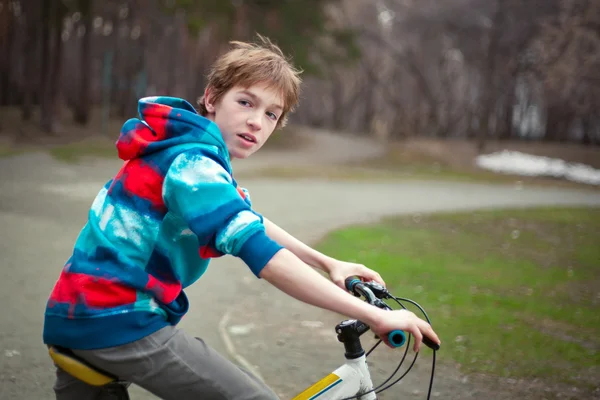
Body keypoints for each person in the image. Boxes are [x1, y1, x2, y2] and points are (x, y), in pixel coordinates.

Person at [43, 34, 440, 400]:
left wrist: (329, 263)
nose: (256, 121)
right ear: (212, 98)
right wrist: (371, 315)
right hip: (117, 319)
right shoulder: (193, 164)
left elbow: (249, 219)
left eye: (271, 114)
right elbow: (263, 257)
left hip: (78, 311)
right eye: (246, 102)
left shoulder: (188, 150)